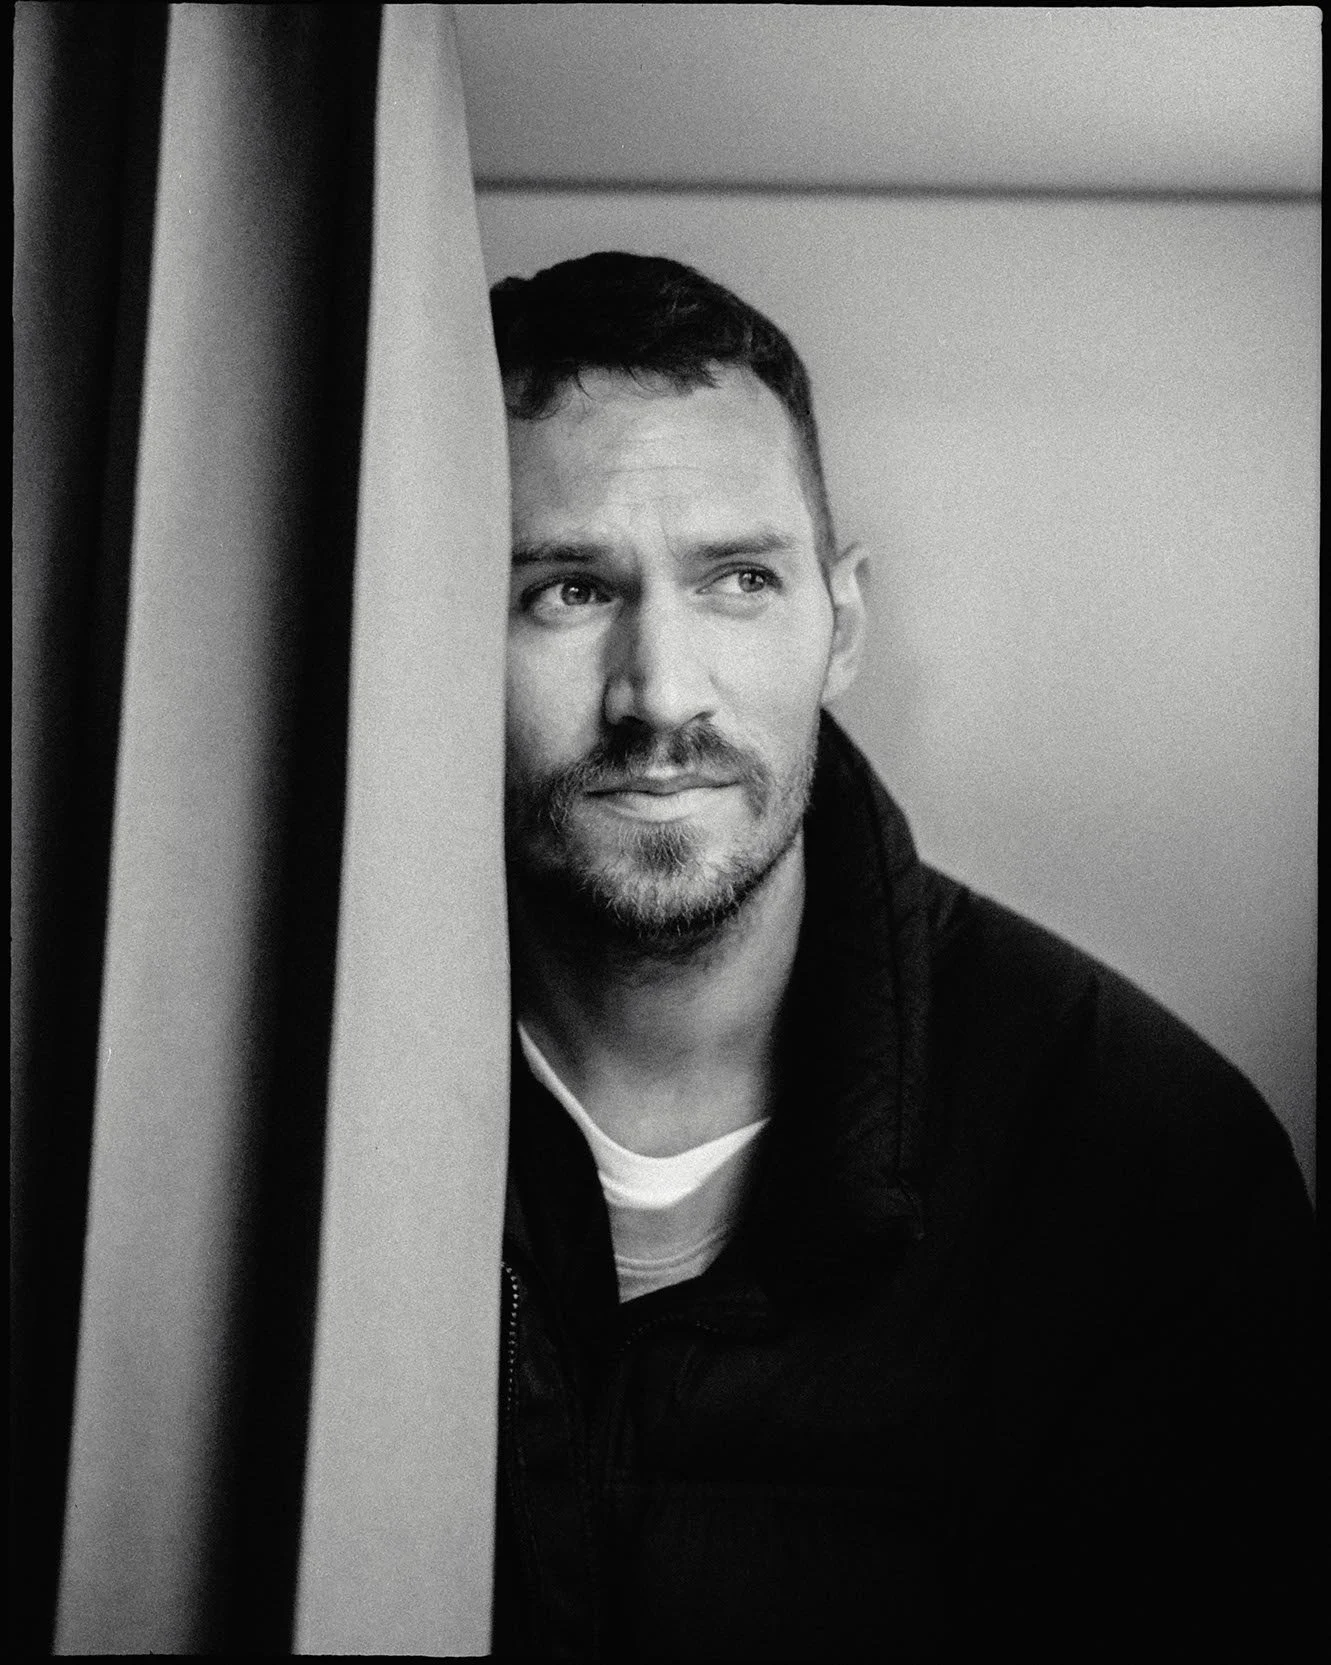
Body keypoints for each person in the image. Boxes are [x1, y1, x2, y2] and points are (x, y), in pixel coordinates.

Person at [488, 252, 1319, 1660]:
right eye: (565, 591)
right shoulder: (259, 1128)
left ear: (842, 623)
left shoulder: (1149, 1166)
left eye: (739, 579)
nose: (659, 695)